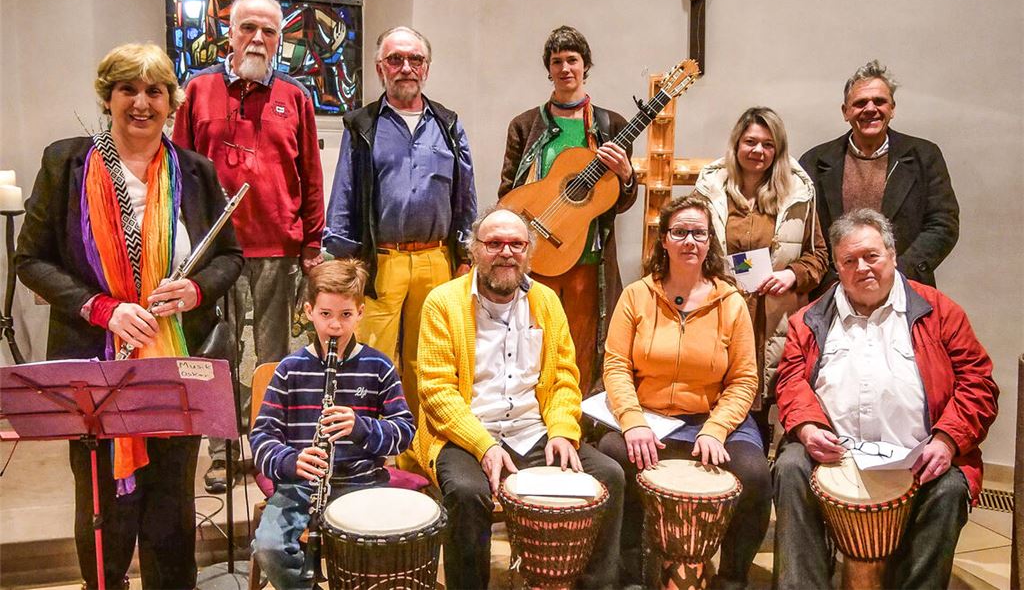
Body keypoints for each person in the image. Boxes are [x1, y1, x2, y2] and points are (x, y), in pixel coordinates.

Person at [15, 43, 243, 590]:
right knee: (103, 513)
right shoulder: (65, 163)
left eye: (155, 91)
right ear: (108, 97)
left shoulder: (196, 171)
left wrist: (193, 290)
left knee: (170, 510)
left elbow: (231, 256)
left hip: (174, 360)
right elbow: (29, 259)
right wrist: (103, 308)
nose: (141, 102)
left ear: (172, 102)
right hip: (94, 361)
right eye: (128, 90)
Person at [772, 208, 998, 589]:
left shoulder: (940, 312)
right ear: (838, 268)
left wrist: (946, 441)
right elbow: (790, 380)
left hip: (919, 455)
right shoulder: (808, 319)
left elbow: (978, 384)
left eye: (872, 256)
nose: (862, 268)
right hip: (833, 457)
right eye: (849, 260)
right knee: (790, 465)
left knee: (951, 488)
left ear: (892, 256)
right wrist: (808, 427)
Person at [412, 207, 624, 590]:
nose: (506, 252)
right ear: (475, 249)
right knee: (467, 492)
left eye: (516, 243)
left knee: (610, 476)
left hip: (533, 431)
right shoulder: (442, 302)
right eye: (494, 243)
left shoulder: (546, 301)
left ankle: (596, 585)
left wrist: (561, 431)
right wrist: (483, 446)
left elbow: (563, 378)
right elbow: (437, 392)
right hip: (464, 434)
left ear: (529, 251)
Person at [171, 0, 326, 492]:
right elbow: (178, 174)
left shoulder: (296, 97)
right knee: (217, 358)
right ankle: (222, 452)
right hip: (216, 253)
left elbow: (311, 174)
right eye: (249, 28)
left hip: (278, 249)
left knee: (272, 359)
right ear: (230, 33)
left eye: (270, 31)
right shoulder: (198, 92)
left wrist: (311, 244)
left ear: (280, 38)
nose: (259, 38)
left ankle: (269, 451)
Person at [597, 194, 771, 589]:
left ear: (710, 241)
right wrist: (633, 421)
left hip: (711, 417)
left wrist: (716, 428)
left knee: (756, 474)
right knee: (611, 457)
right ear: (664, 240)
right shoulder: (637, 295)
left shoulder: (731, 302)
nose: (689, 241)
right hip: (651, 419)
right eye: (680, 232)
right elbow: (616, 365)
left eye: (699, 233)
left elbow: (745, 379)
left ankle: (732, 577)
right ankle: (631, 576)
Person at [324, 25, 477, 437]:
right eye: (396, 59)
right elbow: (344, 192)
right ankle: (369, 447)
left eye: (415, 60)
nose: (405, 68)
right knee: (372, 356)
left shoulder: (448, 125)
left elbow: (466, 199)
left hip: (436, 260)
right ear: (380, 68)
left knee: (428, 360)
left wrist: (466, 259)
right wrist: (342, 264)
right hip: (381, 262)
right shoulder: (363, 126)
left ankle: (424, 447)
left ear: (426, 68)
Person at [250, 258, 414, 590]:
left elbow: (405, 432)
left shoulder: (378, 366)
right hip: (299, 485)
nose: (335, 326)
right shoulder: (290, 368)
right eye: (325, 314)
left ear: (361, 313)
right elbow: (262, 435)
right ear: (308, 311)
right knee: (269, 547)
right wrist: (291, 462)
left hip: (361, 481)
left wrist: (361, 427)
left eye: (345, 315)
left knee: (381, 552)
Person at [499, 25, 637, 395]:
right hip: (536, 254)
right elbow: (507, 193)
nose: (565, 68)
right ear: (548, 69)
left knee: (581, 343)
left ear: (585, 65)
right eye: (556, 61)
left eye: (572, 60)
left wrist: (625, 174)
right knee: (533, 340)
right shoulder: (525, 125)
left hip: (586, 259)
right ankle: (532, 415)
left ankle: (577, 422)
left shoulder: (611, 125)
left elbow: (619, 202)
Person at [694, 107, 828, 449]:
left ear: (778, 150)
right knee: (718, 396)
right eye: (751, 142)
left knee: (763, 404)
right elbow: (692, 246)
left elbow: (819, 257)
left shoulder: (798, 192)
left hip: (773, 318)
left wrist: (792, 274)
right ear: (737, 144)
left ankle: (757, 474)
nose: (758, 151)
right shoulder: (711, 189)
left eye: (768, 144)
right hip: (721, 310)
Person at [799, 60, 958, 296]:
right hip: (834, 292)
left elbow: (943, 224)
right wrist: (838, 279)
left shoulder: (925, 157)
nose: (870, 109)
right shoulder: (814, 162)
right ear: (845, 112)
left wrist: (898, 273)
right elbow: (806, 235)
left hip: (906, 288)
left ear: (892, 108)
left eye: (880, 101)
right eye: (860, 103)